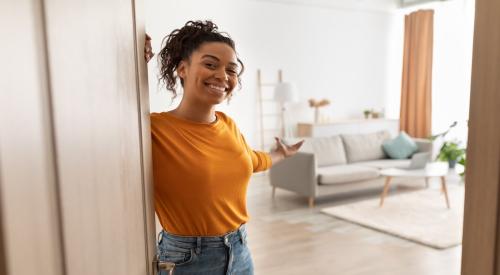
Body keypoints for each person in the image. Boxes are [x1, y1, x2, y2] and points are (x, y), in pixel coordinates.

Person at [144, 20, 303, 275]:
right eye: (210, 64)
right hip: (188, 260)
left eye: (231, 69)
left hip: (240, 250)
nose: (223, 76)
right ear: (182, 69)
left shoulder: (228, 125)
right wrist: (128, 60)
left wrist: (281, 154)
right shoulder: (152, 128)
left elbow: (251, 161)